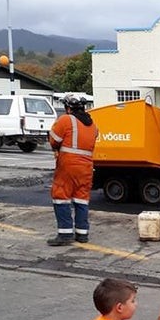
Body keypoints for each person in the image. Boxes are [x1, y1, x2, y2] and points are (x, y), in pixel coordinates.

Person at [48, 93, 98, 246]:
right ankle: (82, 234)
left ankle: (65, 234)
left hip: (68, 166)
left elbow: (54, 140)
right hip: (87, 167)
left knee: (60, 196)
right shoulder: (93, 125)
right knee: (81, 198)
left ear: (68, 108)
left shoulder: (66, 119)